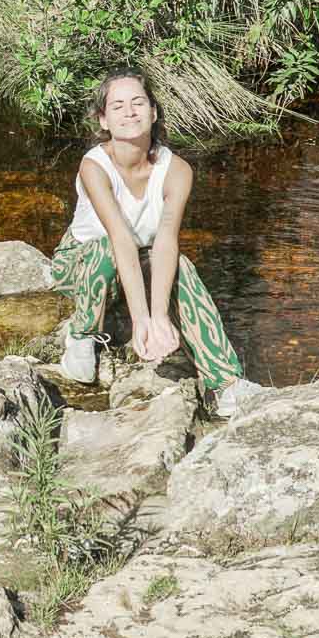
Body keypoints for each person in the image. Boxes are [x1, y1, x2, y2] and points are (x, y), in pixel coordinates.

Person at [49, 68, 262, 417]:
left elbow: (165, 242)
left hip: (140, 259)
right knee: (106, 248)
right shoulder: (94, 167)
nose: (129, 112)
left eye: (138, 103)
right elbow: (119, 239)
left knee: (181, 264)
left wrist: (159, 316)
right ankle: (82, 335)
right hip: (82, 263)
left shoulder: (176, 169)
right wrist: (140, 321)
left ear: (154, 112)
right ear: (103, 119)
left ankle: (226, 384)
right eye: (117, 106)